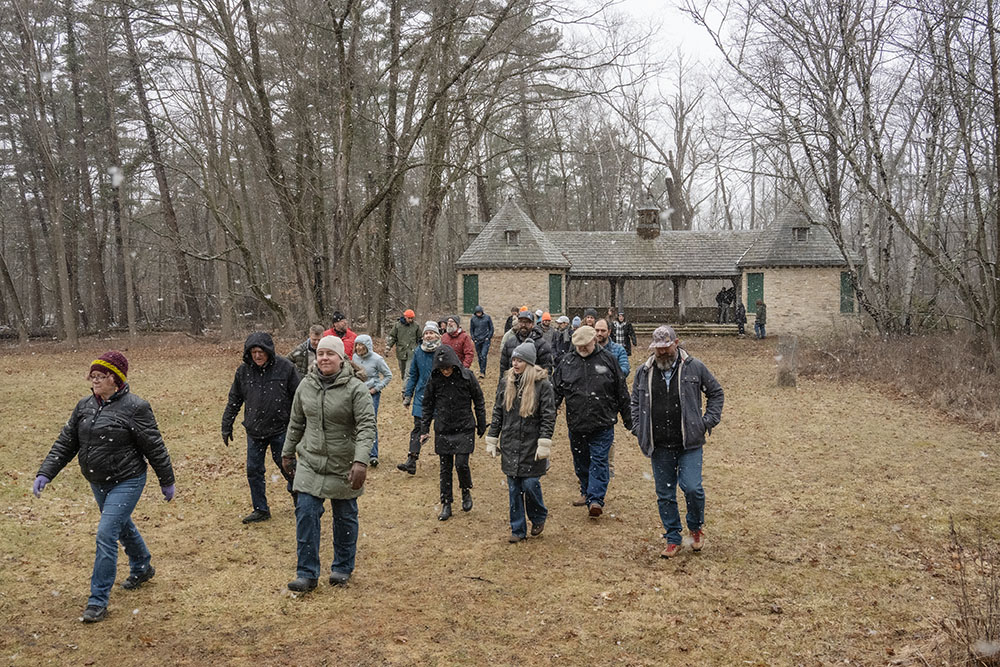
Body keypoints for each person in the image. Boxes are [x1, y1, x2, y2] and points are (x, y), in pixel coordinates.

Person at [33, 351, 175, 623]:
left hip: (128, 479)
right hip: (97, 481)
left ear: (116, 379)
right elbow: (66, 443)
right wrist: (46, 473)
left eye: (101, 376)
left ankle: (97, 601)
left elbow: (154, 446)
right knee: (121, 525)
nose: (94, 381)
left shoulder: (137, 407)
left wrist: (166, 480)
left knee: (106, 533)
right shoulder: (84, 406)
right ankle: (142, 565)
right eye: (93, 376)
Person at [282, 336, 375, 591]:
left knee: (345, 518)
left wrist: (360, 461)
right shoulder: (306, 386)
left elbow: (367, 427)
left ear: (341, 358)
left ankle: (342, 568)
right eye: (320, 353)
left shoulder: (356, 389)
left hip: (343, 463)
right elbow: (296, 421)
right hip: (310, 462)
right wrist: (288, 452)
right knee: (306, 513)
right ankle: (307, 574)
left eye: (330, 354)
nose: (324, 358)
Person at [630, 325, 723, 558]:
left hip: (689, 443)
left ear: (676, 343)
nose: (662, 352)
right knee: (665, 493)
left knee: (692, 488)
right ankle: (672, 537)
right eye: (658, 348)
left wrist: (706, 421)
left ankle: (695, 528)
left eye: (666, 347)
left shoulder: (694, 367)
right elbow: (634, 403)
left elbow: (716, 392)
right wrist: (638, 428)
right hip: (658, 444)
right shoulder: (644, 371)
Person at [552, 325, 632, 517]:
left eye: (585, 345)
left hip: (603, 423)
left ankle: (595, 499)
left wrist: (629, 420)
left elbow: (621, 392)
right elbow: (555, 392)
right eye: (578, 346)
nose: (582, 349)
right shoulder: (567, 363)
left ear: (594, 340)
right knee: (581, 462)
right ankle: (586, 491)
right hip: (576, 423)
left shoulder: (609, 361)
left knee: (599, 460)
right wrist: (548, 415)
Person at [222, 332, 300, 524]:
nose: (257, 356)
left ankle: (302, 501)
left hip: (281, 429)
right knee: (254, 470)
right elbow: (235, 399)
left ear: (269, 352)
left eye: (261, 352)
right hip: (254, 431)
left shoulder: (286, 368)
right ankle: (260, 509)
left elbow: (300, 397)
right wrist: (227, 424)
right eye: (254, 352)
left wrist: (302, 425)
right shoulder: (243, 372)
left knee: (288, 467)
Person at [485, 342, 556, 543]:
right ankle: (518, 529)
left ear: (529, 363)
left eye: (520, 360)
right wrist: (492, 437)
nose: (515, 364)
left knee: (531, 483)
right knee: (514, 488)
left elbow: (548, 415)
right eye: (514, 360)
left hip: (532, 444)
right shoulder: (505, 383)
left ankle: (538, 516)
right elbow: (498, 411)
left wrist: (544, 441)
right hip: (510, 442)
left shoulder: (543, 385)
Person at [419, 345, 486, 521]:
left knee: (461, 464)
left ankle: (465, 490)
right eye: (442, 369)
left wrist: (481, 423)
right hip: (443, 428)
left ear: (454, 365)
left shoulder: (467, 377)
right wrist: (424, 429)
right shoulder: (434, 380)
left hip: (464, 426)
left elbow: (478, 399)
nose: (445, 372)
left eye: (448, 368)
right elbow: (427, 405)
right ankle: (446, 503)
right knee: (445, 468)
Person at [397, 322, 441, 474]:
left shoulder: (443, 351)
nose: (428, 335)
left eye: (431, 333)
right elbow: (413, 374)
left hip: (440, 396)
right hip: (422, 395)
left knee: (442, 428)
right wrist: (408, 394)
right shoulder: (418, 352)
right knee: (418, 428)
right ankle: (411, 461)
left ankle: (446, 459)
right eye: (426, 333)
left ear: (437, 335)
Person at [352, 334, 393, 468]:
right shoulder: (354, 358)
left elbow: (388, 375)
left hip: (371, 394)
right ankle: (357, 453)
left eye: (361, 345)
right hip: (356, 394)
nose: (358, 348)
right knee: (354, 422)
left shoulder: (377, 359)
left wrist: (376, 388)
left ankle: (373, 455)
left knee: (370, 422)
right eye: (356, 345)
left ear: (367, 346)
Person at [498, 308, 554, 384]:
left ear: (532, 324)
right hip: (513, 387)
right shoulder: (509, 343)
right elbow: (503, 369)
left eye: (527, 322)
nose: (523, 325)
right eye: (521, 322)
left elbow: (546, 371)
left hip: (533, 387)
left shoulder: (542, 345)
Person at [386, 309, 420, 387]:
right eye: (409, 318)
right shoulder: (397, 325)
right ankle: (406, 384)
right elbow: (392, 337)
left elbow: (419, 338)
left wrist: (419, 348)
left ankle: (405, 391)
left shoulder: (416, 326)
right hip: (401, 352)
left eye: (412, 318)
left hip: (412, 352)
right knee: (403, 372)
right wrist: (388, 347)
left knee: (408, 372)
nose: (410, 320)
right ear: (405, 317)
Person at [469, 305, 495, 378]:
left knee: (483, 355)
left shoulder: (487, 318)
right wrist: (474, 338)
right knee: (479, 356)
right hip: (477, 340)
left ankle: (482, 372)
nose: (478, 314)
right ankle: (481, 369)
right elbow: (471, 329)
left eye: (479, 312)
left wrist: (488, 337)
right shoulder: (473, 319)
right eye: (477, 313)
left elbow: (491, 328)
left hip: (485, 340)